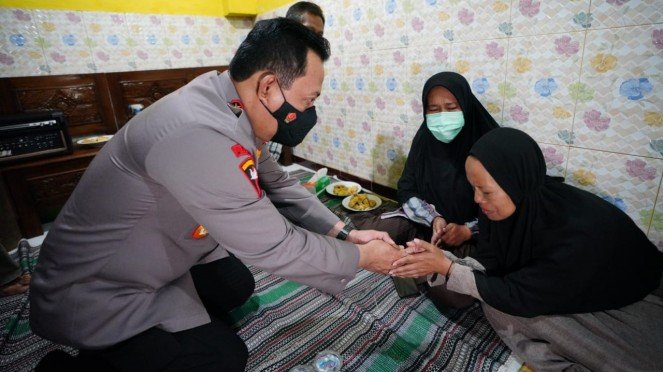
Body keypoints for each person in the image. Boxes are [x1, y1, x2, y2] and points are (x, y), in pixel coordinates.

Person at [30, 18, 402, 371]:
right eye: (308, 100)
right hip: (98, 287)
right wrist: (362, 257)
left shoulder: (228, 100)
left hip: (162, 249)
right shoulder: (197, 132)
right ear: (269, 87)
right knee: (222, 359)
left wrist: (346, 233)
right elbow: (274, 245)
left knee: (237, 285)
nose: (309, 111)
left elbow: (281, 183)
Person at [391, 127, 663, 370]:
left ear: (515, 181)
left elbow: (519, 294)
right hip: (552, 286)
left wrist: (446, 267)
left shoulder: (575, 234)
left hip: (629, 299)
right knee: (487, 297)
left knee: (506, 311)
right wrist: (443, 263)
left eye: (485, 191)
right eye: (473, 188)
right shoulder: (507, 211)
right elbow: (495, 263)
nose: (477, 199)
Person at [267, 1, 325, 162]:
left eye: (319, 36)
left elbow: (299, 124)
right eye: (308, 31)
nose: (314, 41)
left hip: (267, 160)